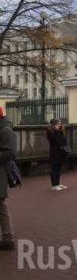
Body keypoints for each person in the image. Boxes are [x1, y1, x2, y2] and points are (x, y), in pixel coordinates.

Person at [0, 106, 17, 251]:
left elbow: (11, 153)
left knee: (1, 205)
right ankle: (7, 237)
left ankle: (8, 237)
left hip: (0, 173)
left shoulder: (5, 130)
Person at [46, 118, 68, 191]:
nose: (59, 125)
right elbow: (54, 139)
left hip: (61, 152)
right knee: (54, 168)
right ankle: (54, 185)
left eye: (60, 124)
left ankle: (58, 183)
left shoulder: (61, 131)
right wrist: (56, 131)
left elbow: (63, 140)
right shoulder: (50, 132)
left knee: (59, 168)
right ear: (53, 125)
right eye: (57, 124)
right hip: (54, 152)